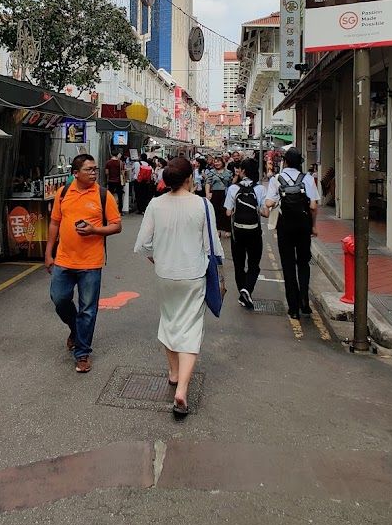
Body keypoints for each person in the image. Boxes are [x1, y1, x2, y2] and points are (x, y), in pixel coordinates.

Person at [134, 157, 223, 418]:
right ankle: (181, 390)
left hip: (165, 274)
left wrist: (158, 257)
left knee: (170, 320)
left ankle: (173, 373)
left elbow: (142, 244)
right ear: (189, 179)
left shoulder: (155, 204)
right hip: (193, 275)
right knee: (191, 328)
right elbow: (213, 247)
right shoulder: (202, 205)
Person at [44, 154, 122, 373]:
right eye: (88, 169)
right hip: (63, 259)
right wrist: (48, 253)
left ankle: (82, 353)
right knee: (59, 299)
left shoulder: (103, 195)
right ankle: (75, 329)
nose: (93, 173)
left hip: (90, 262)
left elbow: (116, 226)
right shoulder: (63, 193)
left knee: (88, 309)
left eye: (95, 169)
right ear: (75, 173)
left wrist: (95, 230)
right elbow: (54, 223)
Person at [264, 146, 320, 320]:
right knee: (303, 263)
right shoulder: (308, 179)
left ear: (285, 162)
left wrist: (274, 203)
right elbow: (313, 206)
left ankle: (293, 307)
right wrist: (313, 226)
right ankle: (304, 301)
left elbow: (268, 203)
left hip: (285, 225)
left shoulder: (276, 179)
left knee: (288, 265)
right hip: (303, 225)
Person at [224, 157, 266, 311]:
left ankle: (242, 291)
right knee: (254, 264)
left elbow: (228, 212)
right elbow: (265, 212)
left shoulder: (233, 189)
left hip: (238, 232)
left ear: (243, 171)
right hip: (254, 232)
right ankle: (247, 290)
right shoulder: (260, 189)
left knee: (239, 264)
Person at [205, 155, 232, 235]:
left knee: (226, 210)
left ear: (223, 162)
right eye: (215, 161)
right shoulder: (211, 172)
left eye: (218, 161)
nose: (216, 163)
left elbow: (231, 184)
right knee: (215, 211)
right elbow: (208, 183)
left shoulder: (229, 172)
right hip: (215, 193)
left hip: (226, 193)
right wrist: (207, 193)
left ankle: (227, 229)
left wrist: (237, 175)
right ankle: (217, 228)